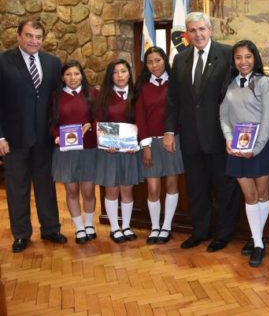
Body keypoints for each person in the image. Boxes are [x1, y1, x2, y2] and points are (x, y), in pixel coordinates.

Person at [164, 12, 241, 252]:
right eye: (193, 30)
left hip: (220, 136)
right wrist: (169, 130)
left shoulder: (228, 55)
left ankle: (224, 234)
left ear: (210, 30)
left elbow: (238, 95)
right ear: (187, 34)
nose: (197, 34)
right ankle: (200, 231)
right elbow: (173, 100)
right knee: (196, 188)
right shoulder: (180, 60)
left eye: (201, 29)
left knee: (224, 188)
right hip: (190, 137)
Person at [0, 19, 66, 253]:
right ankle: (21, 234)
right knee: (17, 188)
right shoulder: (3, 61)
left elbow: (60, 100)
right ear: (18, 36)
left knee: (46, 185)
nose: (34, 41)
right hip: (14, 139)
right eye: (29, 36)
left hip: (44, 138)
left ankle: (50, 228)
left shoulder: (52, 63)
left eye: (38, 37)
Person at [220, 40, 269, 267]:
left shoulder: (265, 83)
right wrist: (228, 139)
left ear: (255, 58)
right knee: (249, 196)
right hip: (236, 149)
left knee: (262, 195)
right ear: (233, 61)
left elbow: (267, 119)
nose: (243, 62)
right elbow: (223, 116)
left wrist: (256, 148)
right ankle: (258, 243)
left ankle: (256, 239)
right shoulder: (230, 84)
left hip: (260, 149)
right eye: (238, 58)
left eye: (247, 57)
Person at [135, 47, 184, 245]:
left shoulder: (175, 84)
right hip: (151, 143)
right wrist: (145, 146)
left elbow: (179, 112)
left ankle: (166, 226)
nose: (155, 65)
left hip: (172, 141)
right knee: (153, 188)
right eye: (150, 62)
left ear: (164, 61)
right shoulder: (143, 87)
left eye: (158, 60)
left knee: (172, 184)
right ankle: (155, 226)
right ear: (146, 65)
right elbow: (140, 118)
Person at [94, 59, 143, 243]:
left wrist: (135, 144)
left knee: (127, 190)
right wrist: (106, 143)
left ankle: (127, 226)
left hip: (130, 152)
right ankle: (115, 228)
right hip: (110, 152)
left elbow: (141, 122)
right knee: (112, 190)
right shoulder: (104, 96)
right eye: (115, 72)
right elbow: (98, 122)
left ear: (129, 74)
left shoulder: (136, 95)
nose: (120, 75)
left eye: (123, 71)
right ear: (110, 76)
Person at [49, 60, 98, 244]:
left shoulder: (93, 94)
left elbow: (99, 118)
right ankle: (79, 228)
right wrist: (56, 136)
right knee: (71, 190)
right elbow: (51, 122)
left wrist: (91, 126)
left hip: (88, 149)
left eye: (76, 74)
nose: (73, 78)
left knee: (88, 191)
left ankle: (89, 224)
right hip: (65, 151)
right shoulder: (55, 97)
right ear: (63, 77)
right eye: (68, 74)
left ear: (82, 75)